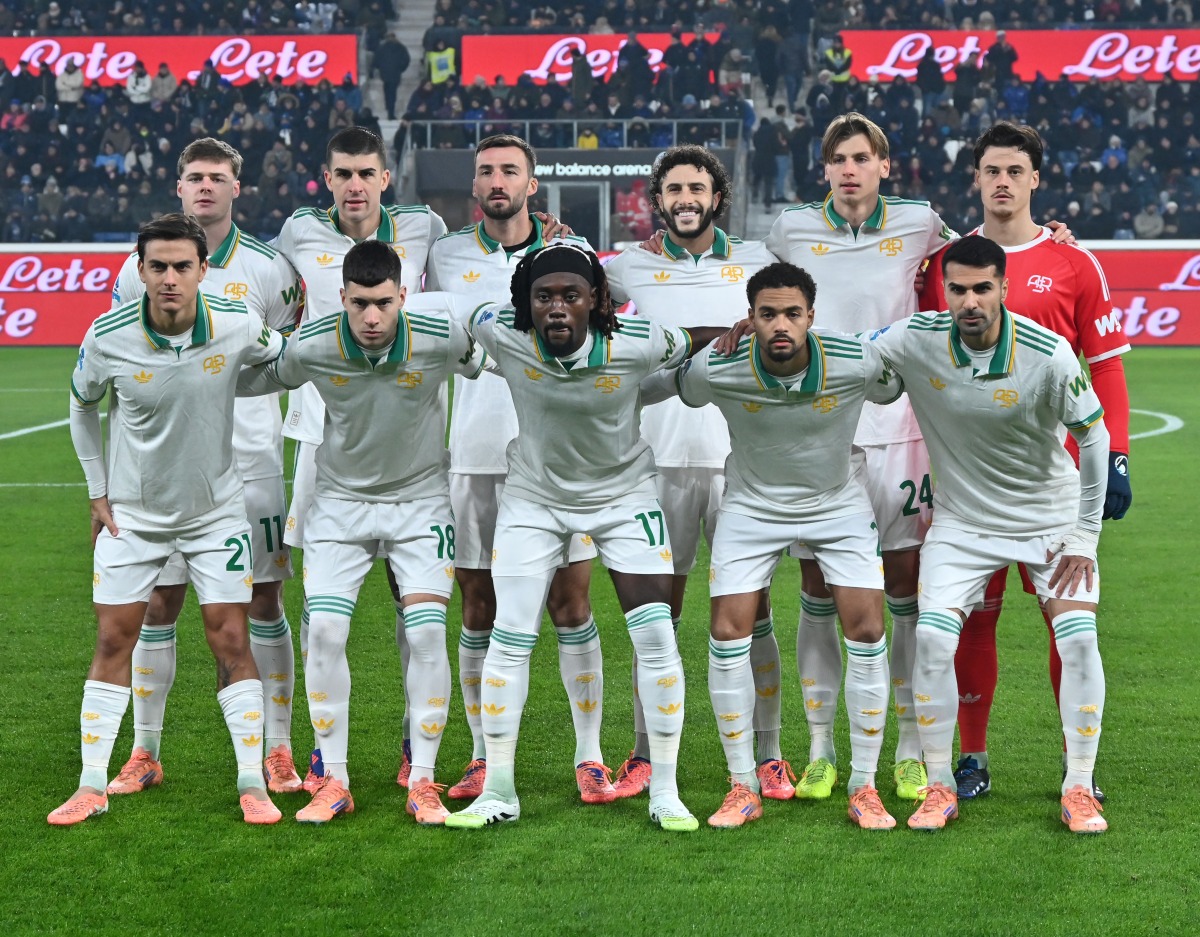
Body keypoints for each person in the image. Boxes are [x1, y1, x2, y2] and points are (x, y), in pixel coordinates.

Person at [443, 244, 725, 832]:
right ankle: (498, 790)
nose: (557, 308)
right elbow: (456, 314)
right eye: (544, 297)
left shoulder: (638, 341)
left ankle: (665, 792)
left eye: (572, 295)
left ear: (596, 300)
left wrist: (745, 328)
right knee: (510, 636)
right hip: (534, 500)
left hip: (624, 500)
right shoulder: (502, 331)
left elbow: (693, 338)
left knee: (654, 636)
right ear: (527, 302)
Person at [238, 240, 485, 825]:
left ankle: (422, 780)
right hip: (339, 507)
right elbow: (257, 381)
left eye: (383, 304)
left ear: (403, 295)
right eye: (359, 305)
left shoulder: (438, 335)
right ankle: (336, 780)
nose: (371, 319)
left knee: (426, 636)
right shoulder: (315, 343)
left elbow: (493, 361)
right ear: (341, 298)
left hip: (421, 504)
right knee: (323, 631)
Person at [919, 122, 1131, 802]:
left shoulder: (1074, 262)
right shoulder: (946, 265)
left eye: (1016, 169)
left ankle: (1080, 764)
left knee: (1065, 623)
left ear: (1036, 178)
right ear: (975, 179)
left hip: (1056, 486)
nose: (1003, 181)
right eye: (991, 170)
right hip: (969, 487)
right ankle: (971, 757)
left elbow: (1107, 372)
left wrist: (1117, 456)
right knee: (971, 621)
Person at [50, 213, 285, 826]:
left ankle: (251, 782)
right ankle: (90, 784)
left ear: (204, 271)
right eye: (158, 266)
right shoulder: (108, 336)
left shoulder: (237, 325)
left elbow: (285, 357)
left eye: (183, 266)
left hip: (215, 515)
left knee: (231, 637)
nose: (171, 278)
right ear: (140, 271)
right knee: (112, 639)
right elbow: (80, 407)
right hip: (134, 516)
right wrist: (97, 493)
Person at [871, 235, 1109, 834]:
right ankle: (939, 787)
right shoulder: (915, 340)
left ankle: (1079, 787)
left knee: (1078, 640)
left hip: (1050, 519)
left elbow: (1096, 438)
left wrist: (1085, 536)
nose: (969, 301)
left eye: (982, 288)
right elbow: (860, 360)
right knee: (931, 642)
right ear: (943, 290)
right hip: (963, 525)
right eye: (958, 289)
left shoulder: (1048, 353)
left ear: (1003, 288)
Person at [765, 112, 956, 803]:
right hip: (820, 432)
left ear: (883, 164)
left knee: (903, 585)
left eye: (861, 157)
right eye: (838, 159)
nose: (850, 169)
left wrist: (1050, 233)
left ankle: (907, 747)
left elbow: (989, 257)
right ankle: (820, 748)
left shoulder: (922, 222)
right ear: (825, 170)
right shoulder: (791, 228)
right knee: (818, 585)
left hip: (901, 427)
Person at [107, 138, 306, 797]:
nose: (205, 187)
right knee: (157, 602)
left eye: (218, 177)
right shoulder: (138, 270)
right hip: (164, 475)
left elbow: (285, 355)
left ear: (236, 187)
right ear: (178, 185)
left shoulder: (268, 268)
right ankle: (144, 750)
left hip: (250, 467)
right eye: (194, 177)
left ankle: (277, 748)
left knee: (263, 600)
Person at [674, 262, 903, 829]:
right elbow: (674, 386)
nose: (781, 324)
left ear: (812, 318)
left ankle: (864, 786)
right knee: (728, 631)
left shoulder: (853, 360)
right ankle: (742, 785)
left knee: (869, 630)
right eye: (767, 313)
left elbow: (894, 384)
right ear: (749, 317)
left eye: (792, 314)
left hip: (836, 502)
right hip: (751, 506)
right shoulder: (720, 365)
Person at [424, 135, 607, 804]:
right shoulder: (442, 255)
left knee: (571, 601)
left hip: (557, 453)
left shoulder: (569, 252)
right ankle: (479, 753)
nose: (495, 180)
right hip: (472, 454)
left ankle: (589, 754)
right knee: (478, 604)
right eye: (485, 171)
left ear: (533, 183)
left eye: (509, 170)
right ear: (474, 185)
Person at [604, 146, 788, 800]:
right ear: (658, 198)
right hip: (653, 464)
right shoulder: (630, 265)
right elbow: (555, 272)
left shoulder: (759, 261)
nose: (686, 198)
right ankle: (643, 754)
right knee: (656, 612)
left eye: (697, 187)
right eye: (675, 188)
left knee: (754, 609)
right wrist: (550, 233)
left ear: (718, 196)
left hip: (741, 463)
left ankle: (770, 754)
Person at [273, 126, 447, 789]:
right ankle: (322, 754)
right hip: (322, 440)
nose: (354, 184)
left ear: (384, 178)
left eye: (365, 172)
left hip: (406, 440)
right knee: (322, 608)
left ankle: (415, 745)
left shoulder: (424, 227)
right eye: (342, 171)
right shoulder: (297, 233)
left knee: (415, 602)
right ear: (326, 176)